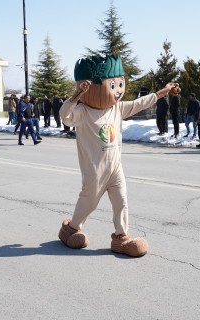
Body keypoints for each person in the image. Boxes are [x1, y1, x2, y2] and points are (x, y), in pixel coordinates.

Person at [58, 54, 179, 257]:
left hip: (115, 167)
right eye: (112, 85)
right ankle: (70, 229)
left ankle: (121, 238)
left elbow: (141, 102)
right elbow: (65, 117)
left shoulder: (117, 108)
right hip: (94, 170)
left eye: (119, 84)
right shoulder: (82, 111)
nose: (117, 91)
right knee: (89, 203)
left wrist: (163, 92)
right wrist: (76, 95)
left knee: (121, 201)